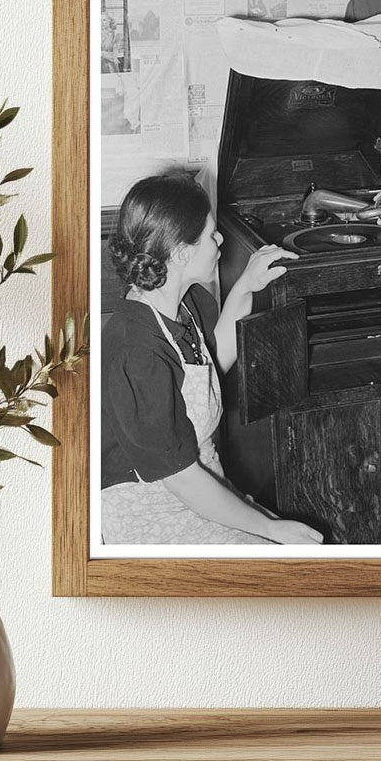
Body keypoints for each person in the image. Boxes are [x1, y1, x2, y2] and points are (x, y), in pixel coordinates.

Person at [100, 168, 324, 546]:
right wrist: (269, 527)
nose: (220, 239)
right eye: (210, 234)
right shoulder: (135, 351)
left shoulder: (182, 304)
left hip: (202, 486)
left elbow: (211, 363)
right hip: (151, 508)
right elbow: (181, 478)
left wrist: (247, 284)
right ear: (182, 253)